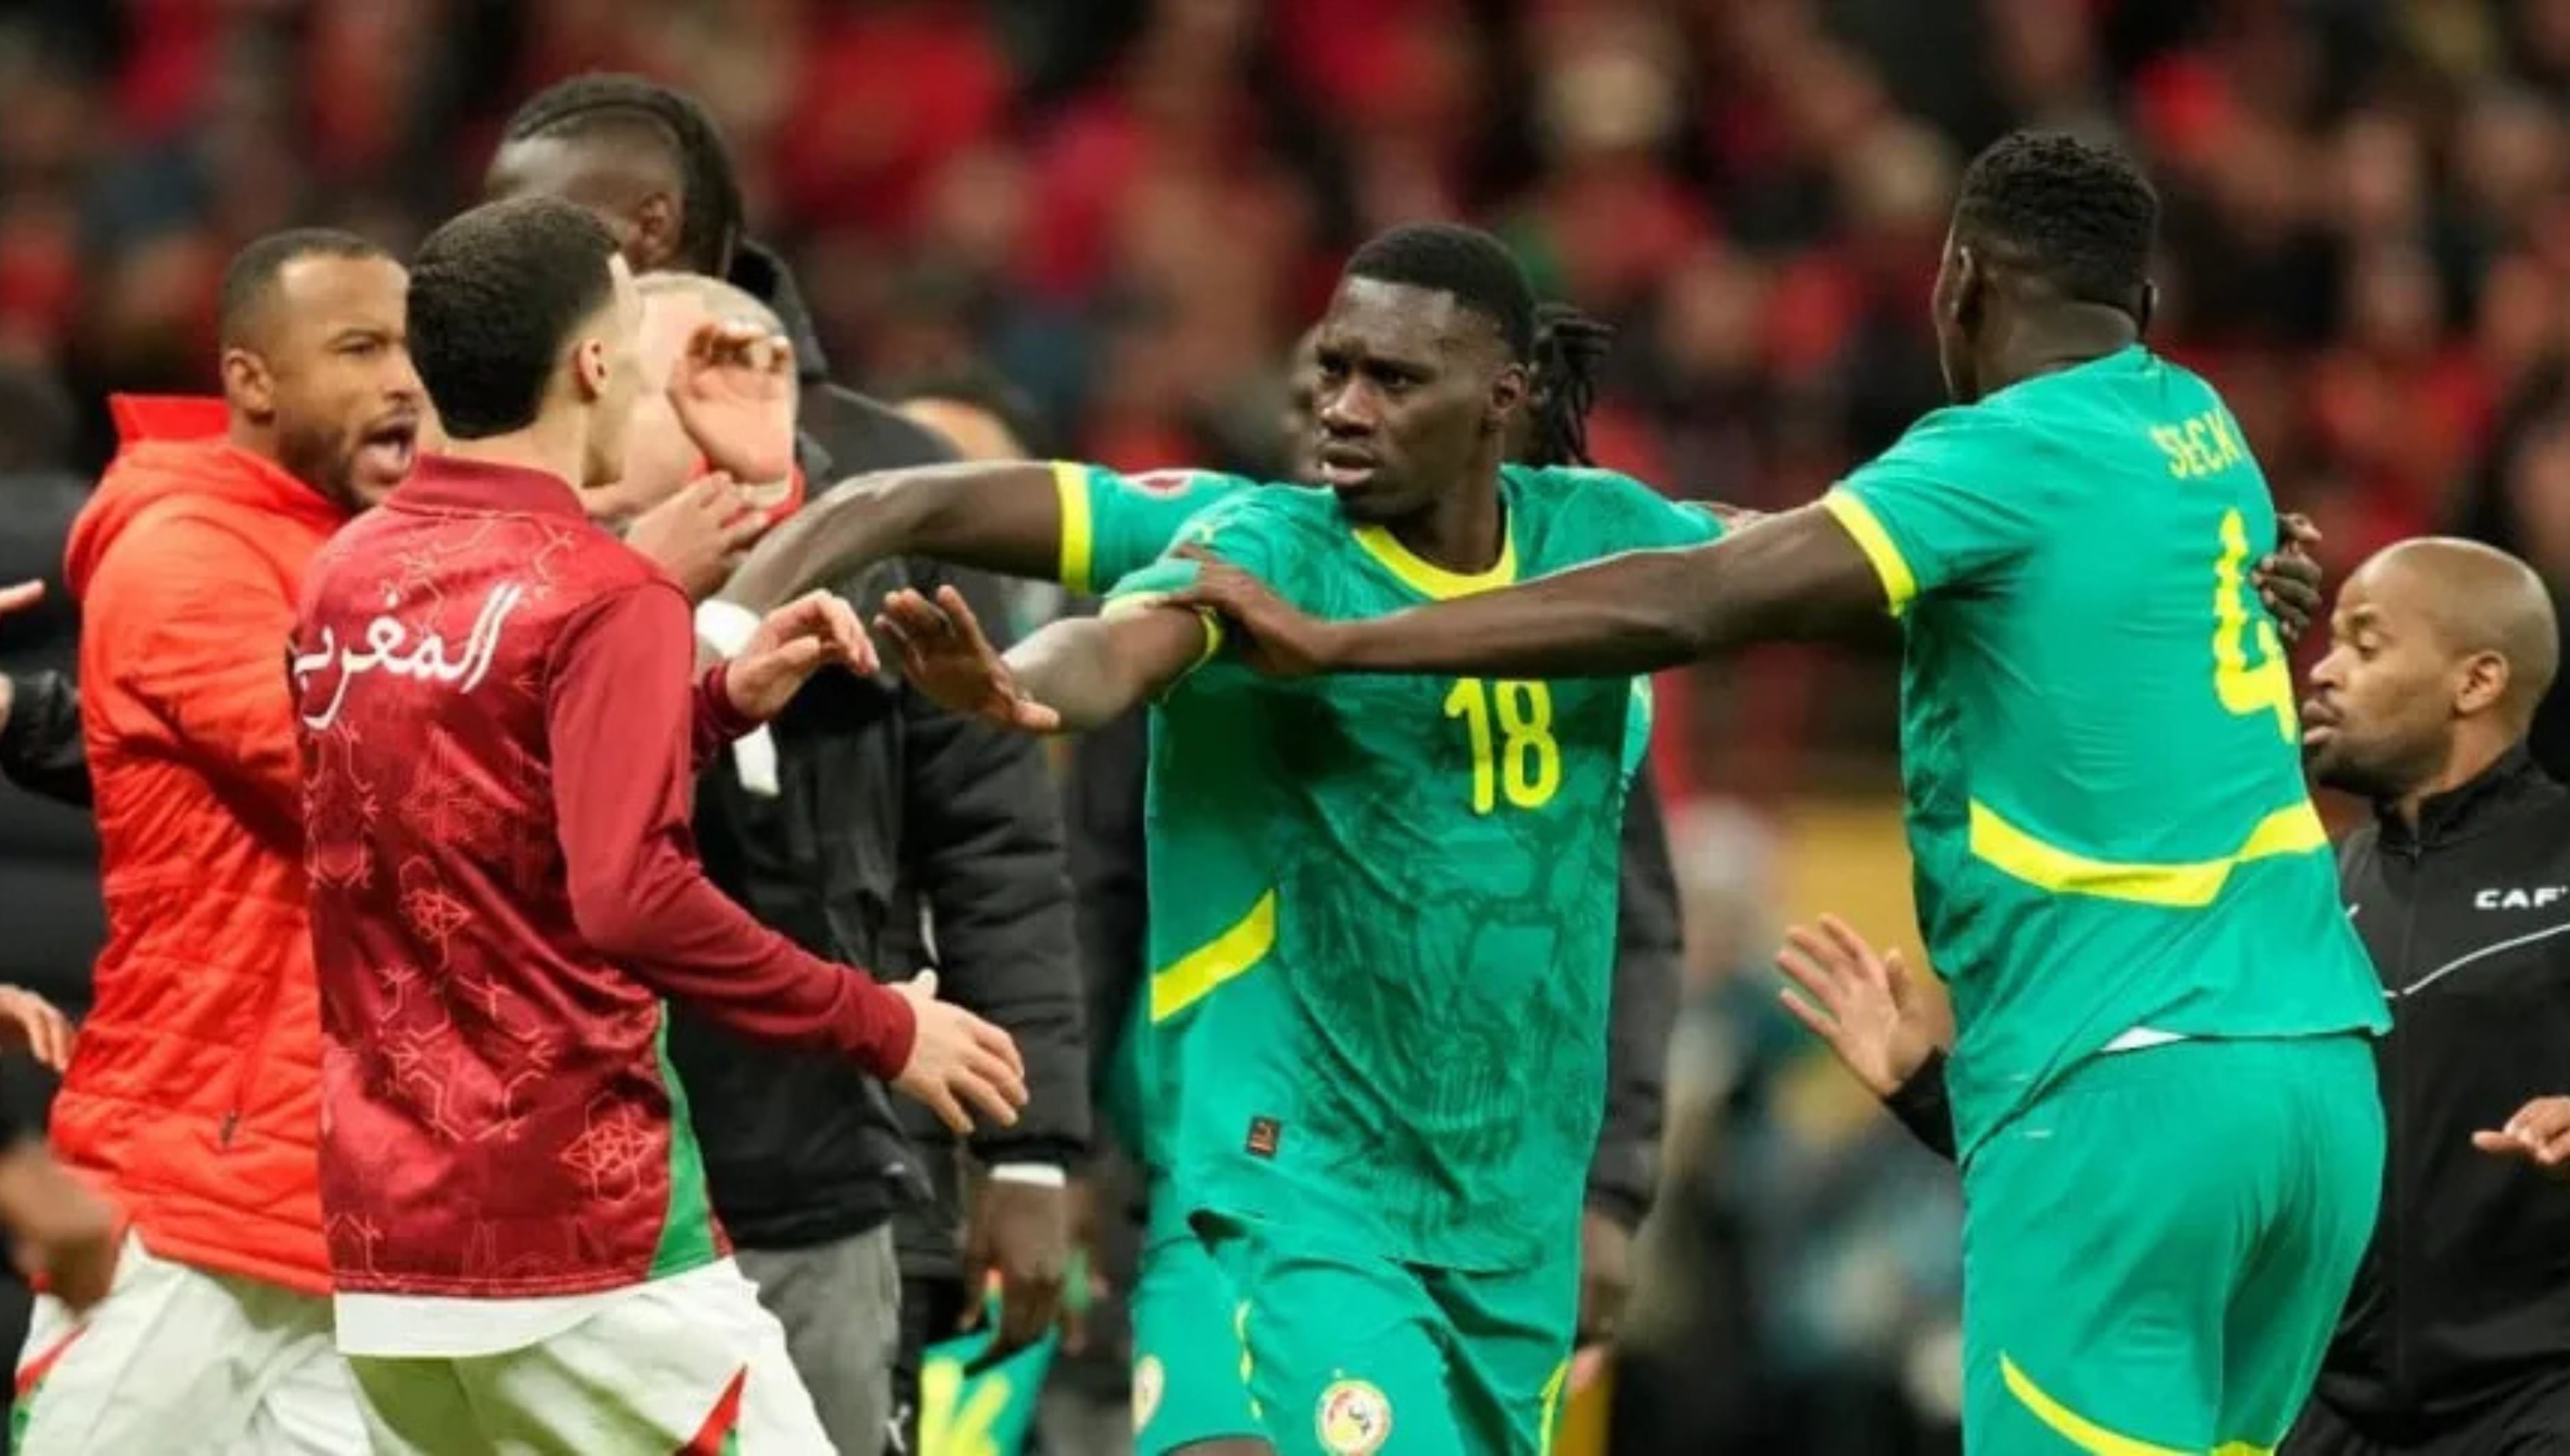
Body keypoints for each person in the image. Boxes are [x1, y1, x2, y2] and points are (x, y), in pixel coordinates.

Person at [1164, 135, 2390, 1455]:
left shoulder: (2000, 454)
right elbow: (1928, 582)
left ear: (1958, 282)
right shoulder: (2197, 430)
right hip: (2318, 1086)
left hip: (2131, 1094)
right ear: (2139, 309)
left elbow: (1699, 600)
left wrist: (1347, 637)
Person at [286, 195, 1027, 1452]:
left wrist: (708, 706)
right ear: (589, 366)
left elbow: (472, 808)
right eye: (633, 345)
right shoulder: (604, 590)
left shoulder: (345, 570)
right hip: (587, 1245)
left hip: (388, 1247)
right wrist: (882, 1021)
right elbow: (627, 894)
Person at [491, 82, 1089, 1449]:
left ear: (642, 230)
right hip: (532, 1154)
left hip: (819, 1148)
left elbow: (992, 828)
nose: (494, 243)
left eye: (527, 209)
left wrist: (1029, 1144)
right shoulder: (480, 468)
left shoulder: (889, 479)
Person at [1778, 534, 2570, 1453]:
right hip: (2314, 1411)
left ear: (2473, 681)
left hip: (2534, 1400)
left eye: (2364, 642)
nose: (2319, 670)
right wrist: (1924, 1086)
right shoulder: (2284, 895)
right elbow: (2144, 1152)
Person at [14, 228, 424, 1456]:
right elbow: (370, 789)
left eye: (414, 347)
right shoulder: (184, 554)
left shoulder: (362, 553)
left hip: (349, 1203)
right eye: (359, 348)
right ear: (251, 380)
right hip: (195, 1190)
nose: (404, 380)